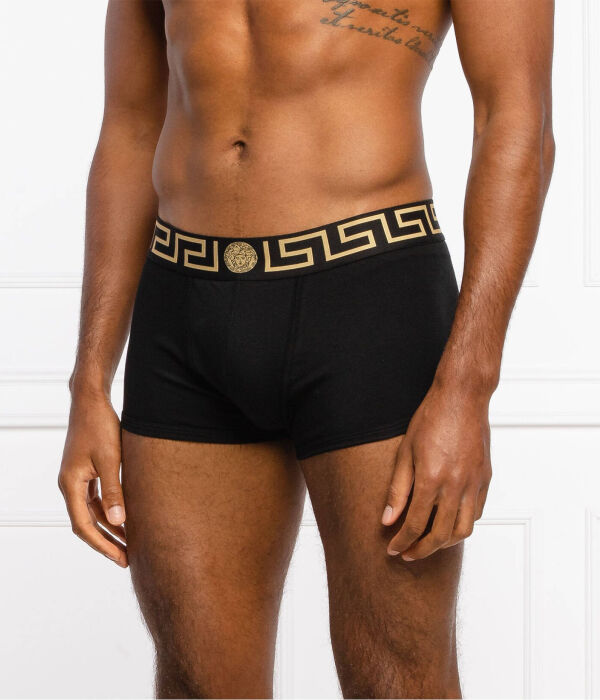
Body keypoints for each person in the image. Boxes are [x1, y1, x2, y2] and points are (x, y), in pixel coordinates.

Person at [58, 1, 555, 697]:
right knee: (197, 681)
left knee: (396, 678)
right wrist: (88, 382)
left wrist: (467, 388)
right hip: (184, 309)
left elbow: (515, 120)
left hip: (369, 301)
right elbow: (131, 126)